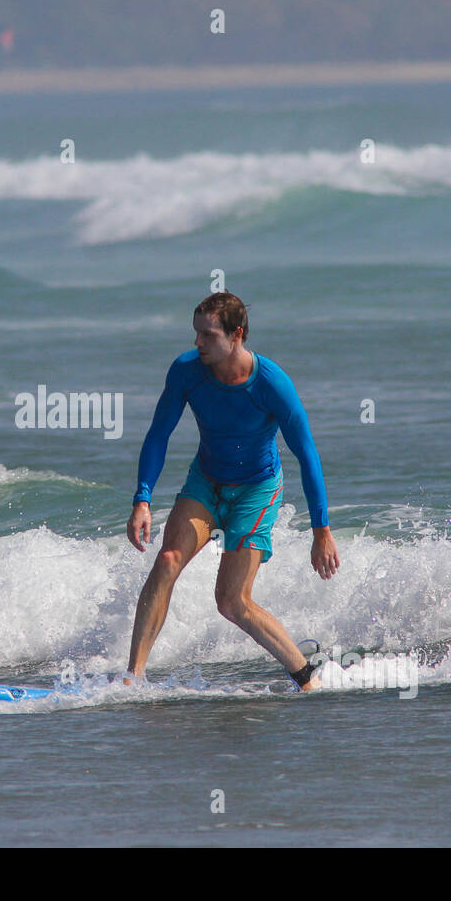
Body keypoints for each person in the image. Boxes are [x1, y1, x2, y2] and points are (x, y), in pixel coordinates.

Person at [124, 292, 338, 692]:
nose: (197, 343)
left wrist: (321, 531)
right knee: (168, 559)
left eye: (207, 335)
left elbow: (307, 454)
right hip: (206, 481)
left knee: (232, 601)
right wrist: (142, 498)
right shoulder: (187, 372)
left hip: (257, 490)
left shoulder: (273, 384)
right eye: (196, 333)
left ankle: (307, 679)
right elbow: (158, 434)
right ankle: (132, 678)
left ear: (236, 335)